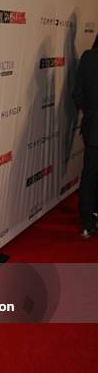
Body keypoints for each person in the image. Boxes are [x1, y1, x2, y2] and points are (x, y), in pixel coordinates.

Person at [73, 34, 98, 238]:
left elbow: (77, 94)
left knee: (90, 174)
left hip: (93, 129)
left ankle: (87, 222)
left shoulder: (88, 57)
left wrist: (90, 114)